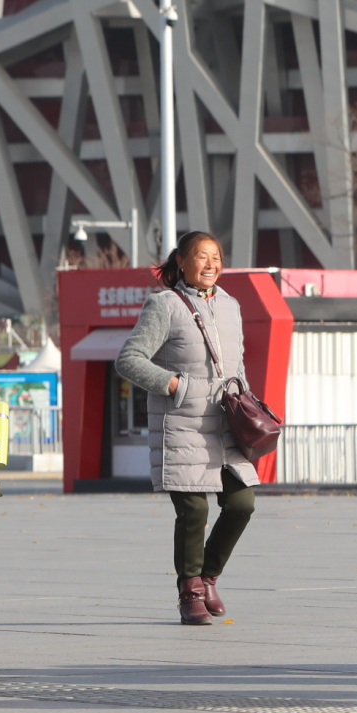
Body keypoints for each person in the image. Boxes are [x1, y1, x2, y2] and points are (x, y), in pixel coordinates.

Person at [115, 230, 256, 625]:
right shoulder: (164, 305)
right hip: (182, 426)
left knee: (242, 503)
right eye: (201, 256)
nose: (211, 264)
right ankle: (190, 592)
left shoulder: (231, 305)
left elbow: (237, 365)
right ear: (181, 261)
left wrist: (245, 400)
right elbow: (128, 360)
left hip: (226, 424)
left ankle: (208, 576)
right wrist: (175, 385)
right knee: (194, 509)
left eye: (216, 256)